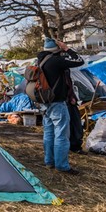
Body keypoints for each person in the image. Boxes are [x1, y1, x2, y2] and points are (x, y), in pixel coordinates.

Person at [38, 37, 84, 174]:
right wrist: (67, 48)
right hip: (57, 102)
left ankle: (49, 162)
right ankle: (62, 166)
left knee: (49, 133)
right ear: (57, 49)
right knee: (62, 135)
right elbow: (79, 61)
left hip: (45, 102)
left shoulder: (41, 60)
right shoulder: (56, 61)